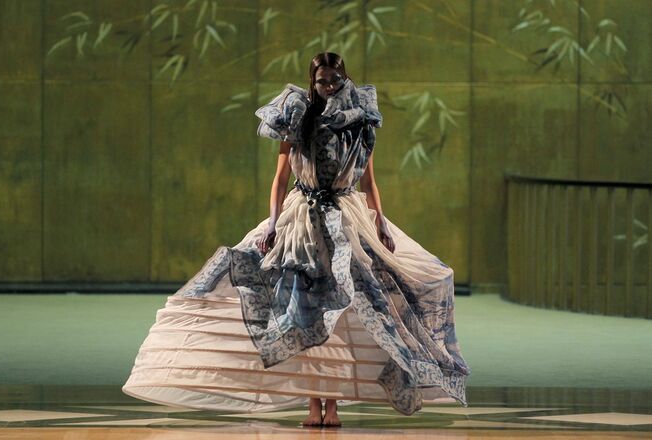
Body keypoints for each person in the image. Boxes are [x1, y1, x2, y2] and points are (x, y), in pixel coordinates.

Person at [122, 52, 470, 428]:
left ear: (345, 78)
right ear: (312, 82)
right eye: (323, 81)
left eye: (335, 79)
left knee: (342, 312)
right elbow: (280, 178)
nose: (330, 86)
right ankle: (313, 403)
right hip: (302, 219)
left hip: (346, 217)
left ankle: (332, 406)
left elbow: (369, 181)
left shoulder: (360, 120)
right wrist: (272, 223)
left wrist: (381, 222)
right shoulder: (298, 117)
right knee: (305, 310)